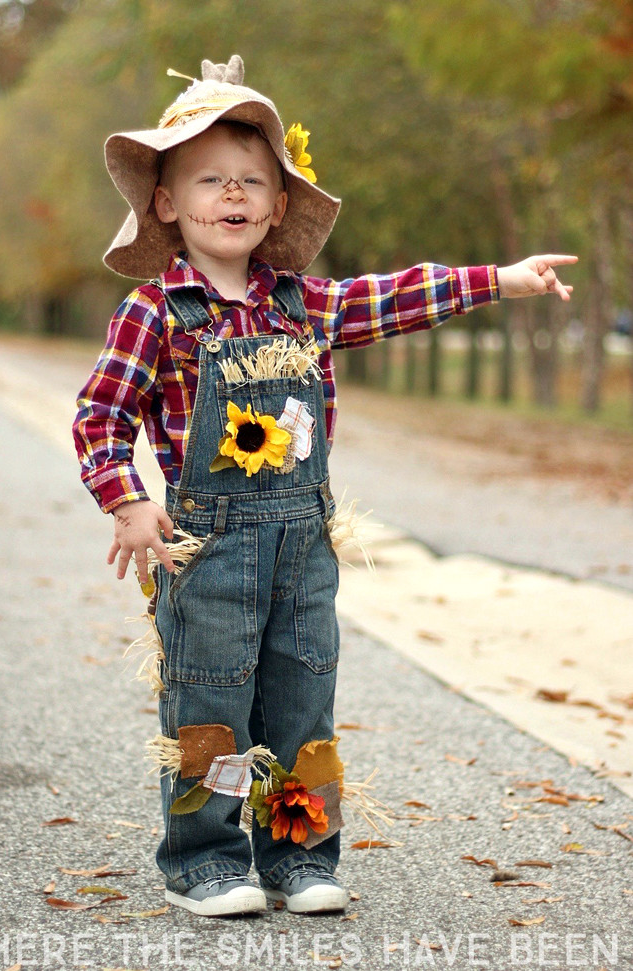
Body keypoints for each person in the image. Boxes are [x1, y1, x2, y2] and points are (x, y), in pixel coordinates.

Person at [72, 55, 576, 918]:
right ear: (164, 202)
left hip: (304, 546)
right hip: (209, 548)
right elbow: (100, 413)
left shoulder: (305, 304)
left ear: (275, 206)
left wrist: (500, 279)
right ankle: (208, 859)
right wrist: (128, 498)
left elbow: (396, 295)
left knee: (304, 701)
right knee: (214, 704)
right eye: (209, 181)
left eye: (251, 182)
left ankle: (301, 854)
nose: (232, 196)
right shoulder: (156, 312)